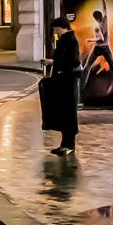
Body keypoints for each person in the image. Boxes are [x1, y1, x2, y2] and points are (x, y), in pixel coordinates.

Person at [44, 25, 80, 156]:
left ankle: (69, 145)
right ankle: (64, 144)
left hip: (68, 83)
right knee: (64, 114)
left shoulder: (71, 42)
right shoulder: (64, 41)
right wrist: (52, 62)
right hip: (62, 81)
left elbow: (73, 62)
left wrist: (58, 67)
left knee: (69, 113)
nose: (55, 31)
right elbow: (62, 60)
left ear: (63, 28)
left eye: (56, 29)